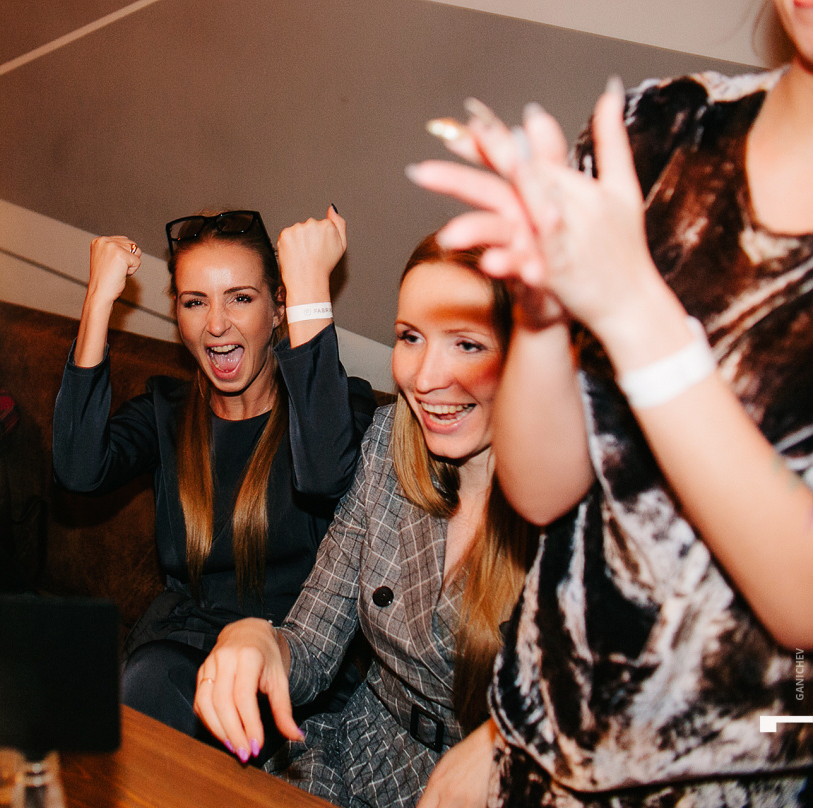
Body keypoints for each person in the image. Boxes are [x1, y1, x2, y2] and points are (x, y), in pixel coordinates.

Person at [407, 1, 813, 803]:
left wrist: (636, 314)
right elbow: (542, 490)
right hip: (532, 755)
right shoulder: (649, 137)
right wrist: (542, 311)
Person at [192, 233, 537, 806]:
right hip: (360, 753)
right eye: (411, 337)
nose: (425, 378)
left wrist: (510, 744)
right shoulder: (386, 447)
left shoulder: (586, 511)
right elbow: (311, 643)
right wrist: (258, 640)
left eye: (467, 344)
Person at [53, 207, 376, 754]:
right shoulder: (167, 411)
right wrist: (99, 300)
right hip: (179, 657)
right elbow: (78, 469)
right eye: (194, 302)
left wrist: (310, 290)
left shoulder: (333, 409)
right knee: (144, 682)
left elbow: (325, 477)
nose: (216, 325)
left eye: (240, 298)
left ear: (278, 308)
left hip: (292, 666)